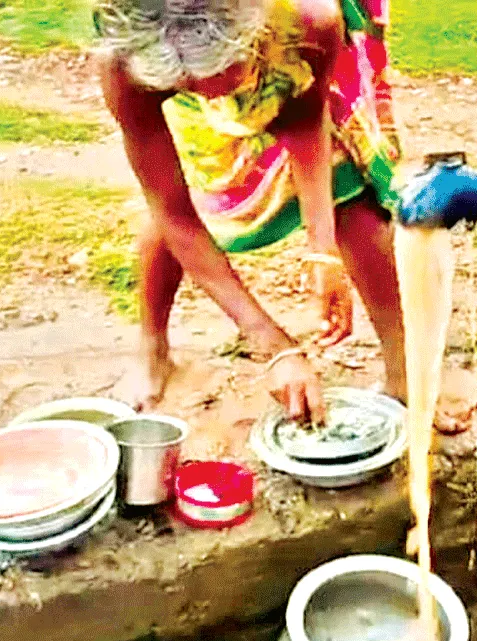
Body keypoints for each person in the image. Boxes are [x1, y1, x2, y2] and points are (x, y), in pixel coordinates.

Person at [94, 0, 441, 427]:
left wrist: (323, 251)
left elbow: (306, 118)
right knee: (193, 186)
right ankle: (153, 348)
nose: (211, 94)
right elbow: (172, 210)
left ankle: (406, 373)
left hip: (287, 39)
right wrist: (271, 343)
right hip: (197, 48)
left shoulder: (310, 18)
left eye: (223, 71)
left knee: (348, 178)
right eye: (188, 83)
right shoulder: (125, 61)